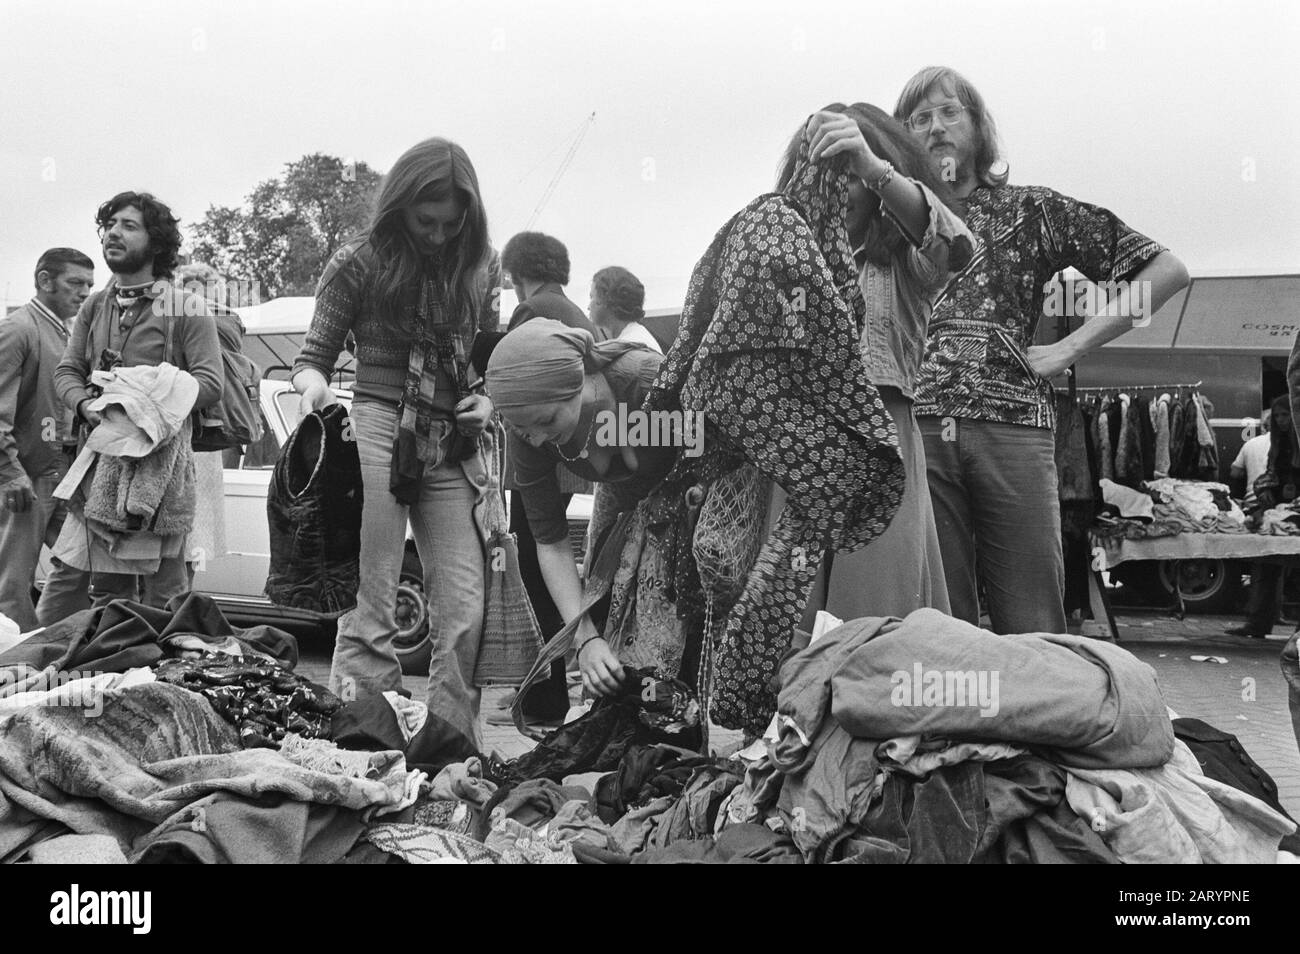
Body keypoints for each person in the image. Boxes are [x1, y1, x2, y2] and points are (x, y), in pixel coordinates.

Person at [897, 66, 1190, 634]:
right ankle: (957, 725)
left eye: (949, 112)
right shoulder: (896, 224)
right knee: (939, 624)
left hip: (1014, 432)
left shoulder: (1031, 211)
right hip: (923, 431)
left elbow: (1167, 270)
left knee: (1034, 618)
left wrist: (1071, 347)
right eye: (920, 118)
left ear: (979, 127)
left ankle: (1038, 717)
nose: (935, 128)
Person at [293, 137, 500, 750]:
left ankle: (449, 745)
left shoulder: (480, 263)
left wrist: (486, 401)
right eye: (425, 220)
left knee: (464, 608)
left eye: (450, 223)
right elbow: (311, 361)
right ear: (401, 203)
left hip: (450, 439)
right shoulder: (357, 260)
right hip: (375, 427)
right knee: (371, 605)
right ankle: (367, 742)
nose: (437, 235)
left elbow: (480, 363)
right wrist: (317, 396)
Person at [796, 103, 974, 621]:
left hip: (883, 443)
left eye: (850, 176)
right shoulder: (789, 264)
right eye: (822, 176)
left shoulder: (903, 263)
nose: (837, 190)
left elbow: (955, 246)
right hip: (799, 447)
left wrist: (873, 167)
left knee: (873, 615)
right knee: (790, 618)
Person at [49, 192, 222, 612]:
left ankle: (162, 676)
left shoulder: (187, 308)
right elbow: (66, 372)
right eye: (110, 225)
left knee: (166, 596)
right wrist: (86, 407)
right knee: (103, 593)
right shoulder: (95, 305)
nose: (113, 233)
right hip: (99, 470)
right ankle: (105, 671)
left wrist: (144, 401)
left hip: (162, 474)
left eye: (129, 226)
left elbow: (210, 383)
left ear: (156, 242)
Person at [486, 319, 672, 699]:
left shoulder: (644, 382)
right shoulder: (529, 430)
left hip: (686, 487)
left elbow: (709, 447)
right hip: (619, 494)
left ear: (577, 383)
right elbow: (550, 541)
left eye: (547, 421)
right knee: (601, 599)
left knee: (670, 606)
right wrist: (584, 638)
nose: (537, 438)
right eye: (524, 430)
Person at [497, 231, 597, 724]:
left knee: (535, 575)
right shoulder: (578, 313)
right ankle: (543, 690)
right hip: (574, 463)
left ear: (517, 274)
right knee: (551, 570)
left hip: (538, 462)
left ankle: (542, 698)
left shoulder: (530, 312)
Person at [0, 248, 95, 631]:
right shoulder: (18, 329)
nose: (85, 292)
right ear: (44, 280)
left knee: (83, 563)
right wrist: (10, 472)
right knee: (11, 583)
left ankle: (56, 650)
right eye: (75, 283)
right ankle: (15, 673)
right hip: (26, 477)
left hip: (62, 476)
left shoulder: (65, 330)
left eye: (89, 284)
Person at [1229, 396, 1298, 637]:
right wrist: (1266, 492)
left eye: (1285, 415)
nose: (1281, 421)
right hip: (1278, 509)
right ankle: (1258, 623)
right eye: (1278, 416)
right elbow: (1271, 472)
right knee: (1266, 566)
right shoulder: (1277, 443)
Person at [589, 266, 662, 353]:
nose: (588, 307)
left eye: (592, 297)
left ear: (607, 301)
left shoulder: (631, 345)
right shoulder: (635, 336)